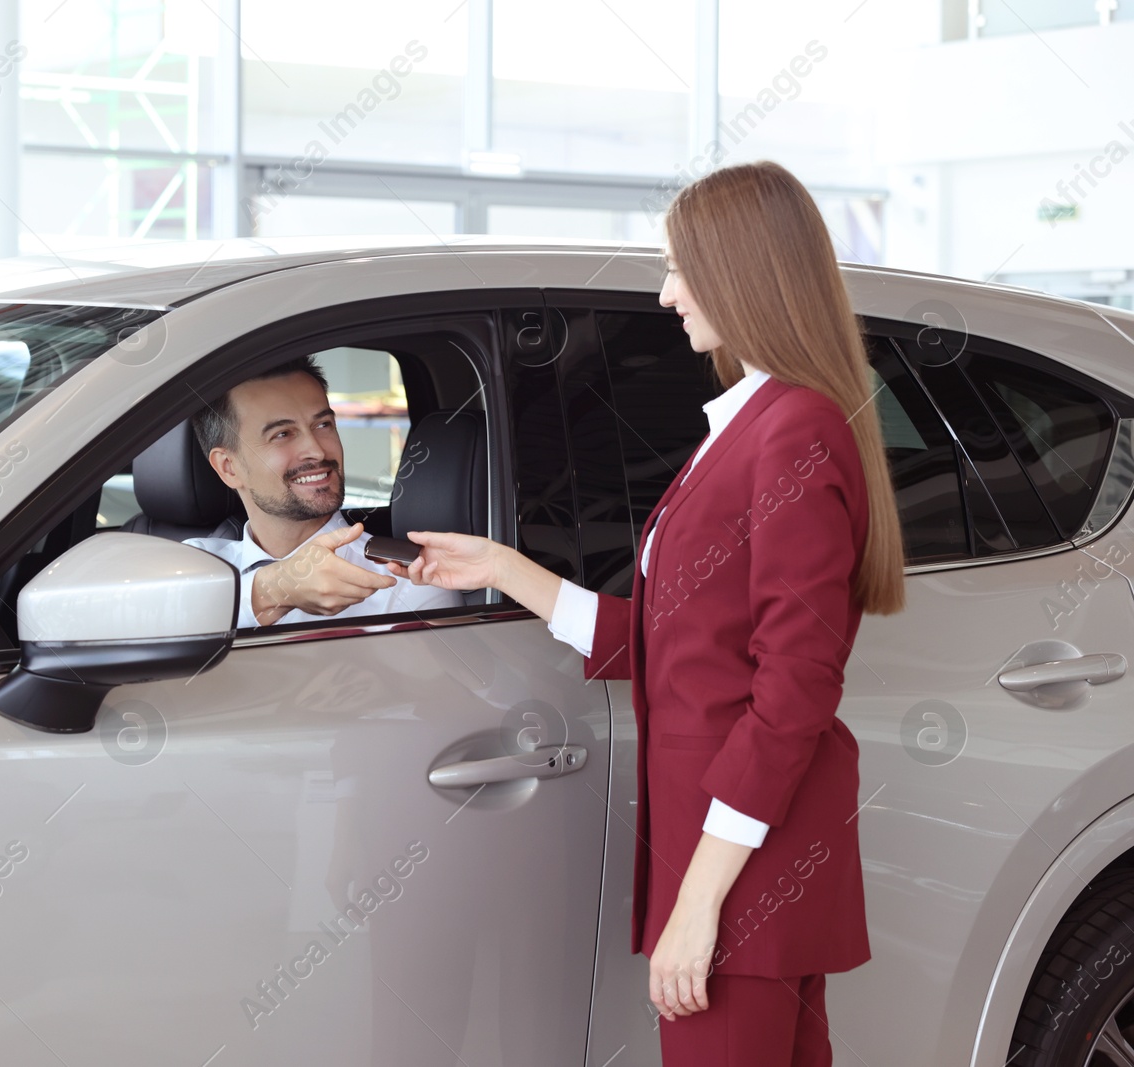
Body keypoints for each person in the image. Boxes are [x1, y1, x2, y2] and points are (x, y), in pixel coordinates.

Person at [383, 160, 906, 1066]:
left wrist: (701, 902)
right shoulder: (760, 422)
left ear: (746, 270)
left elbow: (795, 686)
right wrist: (507, 567)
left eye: (680, 267)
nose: (666, 296)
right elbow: (681, 645)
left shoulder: (791, 430)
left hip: (741, 871)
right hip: (751, 861)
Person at [183, 355, 462, 629]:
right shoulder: (193, 565)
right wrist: (274, 591)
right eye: (283, 434)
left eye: (323, 425)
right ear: (229, 467)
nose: (317, 450)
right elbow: (148, 620)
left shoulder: (409, 583)